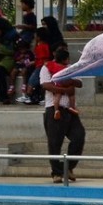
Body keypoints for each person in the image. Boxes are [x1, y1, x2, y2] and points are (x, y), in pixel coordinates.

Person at [41, 50, 85, 183]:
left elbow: (79, 82)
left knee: (79, 136)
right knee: (55, 143)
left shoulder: (70, 68)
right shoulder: (46, 67)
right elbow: (45, 85)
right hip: (54, 109)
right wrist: (65, 90)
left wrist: (67, 79)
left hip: (70, 110)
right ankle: (56, 172)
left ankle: (68, 167)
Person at [18, 27, 52, 105]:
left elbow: (44, 59)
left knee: (31, 82)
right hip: (38, 66)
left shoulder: (42, 47)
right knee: (33, 82)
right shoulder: (42, 46)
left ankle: (30, 96)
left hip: (40, 67)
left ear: (39, 37)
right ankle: (33, 97)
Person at [44, 49, 79, 119]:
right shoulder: (65, 68)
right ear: (63, 60)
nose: (69, 60)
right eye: (67, 59)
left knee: (57, 96)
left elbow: (47, 65)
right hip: (65, 83)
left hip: (56, 83)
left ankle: (56, 110)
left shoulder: (52, 65)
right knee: (71, 95)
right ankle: (72, 107)